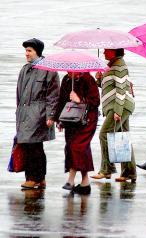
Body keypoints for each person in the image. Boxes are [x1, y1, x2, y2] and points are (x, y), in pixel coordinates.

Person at [15, 38, 60, 189]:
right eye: (26, 51)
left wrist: (51, 116)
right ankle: (39, 179)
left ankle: (33, 178)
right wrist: (18, 113)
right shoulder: (25, 69)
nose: (26, 54)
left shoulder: (49, 69)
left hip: (39, 113)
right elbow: (19, 95)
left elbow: (53, 95)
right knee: (31, 146)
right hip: (24, 113)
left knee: (33, 146)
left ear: (37, 52)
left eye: (29, 51)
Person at [90, 48, 137, 182]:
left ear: (115, 52)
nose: (104, 52)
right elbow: (108, 86)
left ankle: (107, 170)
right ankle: (129, 173)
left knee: (104, 134)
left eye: (107, 50)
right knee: (123, 138)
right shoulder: (110, 66)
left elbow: (121, 90)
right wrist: (99, 79)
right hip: (119, 106)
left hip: (120, 106)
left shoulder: (119, 66)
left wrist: (117, 111)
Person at [56, 72, 100, 194]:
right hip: (71, 119)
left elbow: (95, 101)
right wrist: (59, 120)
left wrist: (80, 100)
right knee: (73, 147)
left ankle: (70, 180)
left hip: (87, 120)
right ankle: (85, 183)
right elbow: (61, 101)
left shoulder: (88, 79)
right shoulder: (66, 79)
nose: (69, 73)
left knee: (77, 146)